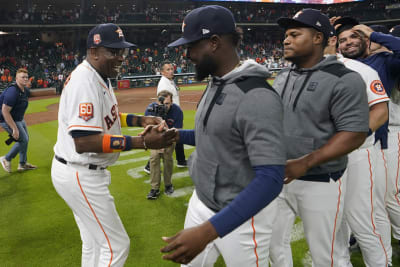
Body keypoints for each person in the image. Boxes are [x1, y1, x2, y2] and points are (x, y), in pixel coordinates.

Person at [159, 6, 286, 266]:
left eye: (192, 46)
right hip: (202, 201)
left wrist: (208, 231)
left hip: (243, 219)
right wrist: (174, 135)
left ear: (214, 43)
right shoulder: (217, 81)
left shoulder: (257, 95)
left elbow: (271, 178)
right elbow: (216, 136)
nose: (187, 55)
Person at [51, 23, 176, 267]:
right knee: (116, 246)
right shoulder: (84, 82)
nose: (121, 57)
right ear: (94, 52)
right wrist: (142, 142)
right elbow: (84, 141)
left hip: (77, 171)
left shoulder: (99, 75)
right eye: (114, 52)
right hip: (80, 172)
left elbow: (106, 117)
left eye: (123, 52)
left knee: (93, 242)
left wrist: (140, 119)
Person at [268, 9, 369, 267]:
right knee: (273, 245)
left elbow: (355, 133)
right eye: (285, 35)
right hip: (278, 177)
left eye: (294, 34)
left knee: (327, 256)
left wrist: (306, 162)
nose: (285, 40)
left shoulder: (344, 78)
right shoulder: (283, 75)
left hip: (320, 181)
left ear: (317, 38)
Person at [334, 17, 400, 266]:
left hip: (375, 144)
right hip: (344, 146)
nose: (348, 42)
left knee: (377, 205)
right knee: (353, 207)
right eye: (342, 39)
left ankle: (382, 256)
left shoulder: (382, 61)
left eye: (354, 37)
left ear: (366, 40)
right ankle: (362, 242)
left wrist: (373, 34)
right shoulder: (341, 66)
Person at [144, 61, 186, 174]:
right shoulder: (164, 84)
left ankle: (181, 160)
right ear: (162, 72)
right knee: (167, 138)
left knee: (177, 135)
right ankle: (149, 166)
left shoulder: (170, 81)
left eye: (172, 69)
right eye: (168, 69)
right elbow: (162, 102)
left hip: (174, 112)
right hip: (168, 114)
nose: (171, 71)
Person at [145, 90, 183, 199]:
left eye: (167, 104)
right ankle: (154, 189)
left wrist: (165, 130)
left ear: (171, 102)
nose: (164, 106)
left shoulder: (177, 111)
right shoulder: (151, 108)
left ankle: (168, 185)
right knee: (154, 158)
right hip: (155, 137)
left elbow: (177, 130)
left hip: (169, 137)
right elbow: (147, 128)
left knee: (167, 159)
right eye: (162, 103)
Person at [0, 68, 37, 172]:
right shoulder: (13, 92)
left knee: (25, 140)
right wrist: (14, 129)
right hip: (7, 119)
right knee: (23, 140)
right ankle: (6, 159)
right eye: (22, 77)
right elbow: (5, 111)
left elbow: (30, 90)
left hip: (19, 118)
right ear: (16, 78)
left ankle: (22, 164)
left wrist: (29, 82)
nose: (25, 79)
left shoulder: (24, 89)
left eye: (26, 77)